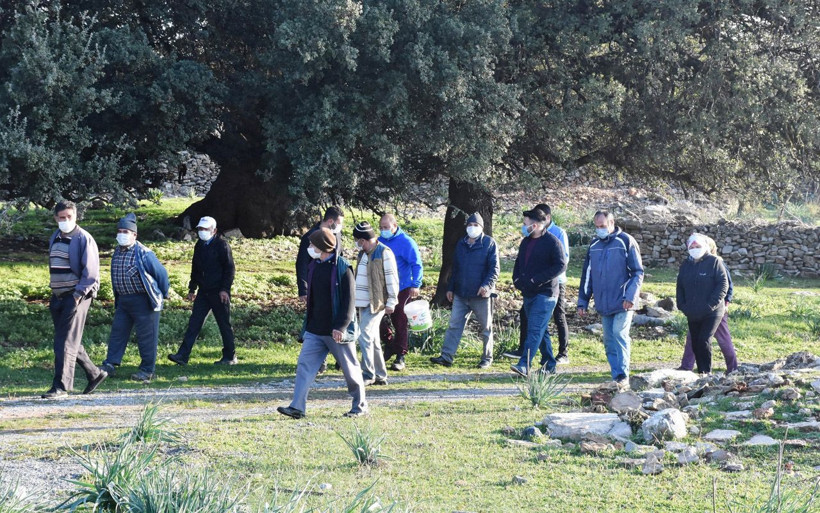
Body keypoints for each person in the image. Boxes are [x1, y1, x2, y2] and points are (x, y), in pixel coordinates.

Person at [277, 228, 367, 418]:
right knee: (304, 367)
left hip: (336, 331)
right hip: (315, 330)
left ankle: (359, 406)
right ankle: (297, 407)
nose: (309, 248)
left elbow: (349, 301)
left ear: (323, 247)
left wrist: (341, 327)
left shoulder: (343, 267)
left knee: (350, 371)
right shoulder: (314, 265)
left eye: (312, 245)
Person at [42, 201, 107, 399]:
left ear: (76, 216)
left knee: (64, 341)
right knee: (70, 340)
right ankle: (95, 373)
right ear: (56, 218)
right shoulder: (56, 236)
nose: (65, 221)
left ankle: (61, 387)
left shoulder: (83, 238)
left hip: (76, 295)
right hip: (58, 296)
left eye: (69, 217)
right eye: (62, 217)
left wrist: (77, 296)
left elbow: (91, 273)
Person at [577, 210, 644, 387]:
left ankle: (623, 376)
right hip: (603, 302)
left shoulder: (626, 241)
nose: (600, 230)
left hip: (624, 301)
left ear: (612, 223)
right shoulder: (594, 245)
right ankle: (616, 376)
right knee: (608, 339)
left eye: (603, 226)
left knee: (619, 333)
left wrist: (630, 296)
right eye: (597, 227)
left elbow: (637, 272)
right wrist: (583, 301)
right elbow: (587, 275)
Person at [100, 213, 170, 382]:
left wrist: (163, 294)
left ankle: (147, 370)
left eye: (126, 231)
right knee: (118, 333)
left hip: (144, 301)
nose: (122, 234)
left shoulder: (144, 253)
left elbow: (161, 275)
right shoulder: (117, 252)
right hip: (124, 300)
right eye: (120, 231)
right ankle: (110, 364)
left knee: (146, 337)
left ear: (134, 235)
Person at [503, 204, 571, 364]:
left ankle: (524, 364)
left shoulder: (552, 242)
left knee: (534, 330)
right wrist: (517, 280)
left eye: (525, 224)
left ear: (534, 225)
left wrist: (537, 280)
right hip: (529, 293)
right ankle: (549, 364)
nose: (523, 227)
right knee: (541, 330)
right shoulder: (526, 242)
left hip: (546, 294)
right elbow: (519, 263)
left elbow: (561, 265)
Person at [430, 212, 499, 369]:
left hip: (481, 295)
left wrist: (486, 286)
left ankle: (487, 358)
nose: (472, 228)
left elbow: (494, 269)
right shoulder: (461, 244)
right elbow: (456, 268)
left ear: (482, 227)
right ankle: (446, 357)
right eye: (470, 225)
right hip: (461, 294)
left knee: (486, 328)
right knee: (454, 325)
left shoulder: (489, 243)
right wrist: (451, 287)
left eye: (476, 225)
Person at [169, 216, 237, 366]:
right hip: (203, 291)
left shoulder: (222, 245)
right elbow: (196, 268)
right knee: (194, 323)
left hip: (219, 292)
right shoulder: (199, 245)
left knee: (224, 323)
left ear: (214, 231)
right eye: (200, 229)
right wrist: (192, 288)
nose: (202, 232)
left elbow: (229, 269)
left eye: (205, 229)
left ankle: (230, 356)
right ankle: (183, 355)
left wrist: (225, 289)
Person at [677, 235, 738, 373]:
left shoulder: (717, 262)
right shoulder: (690, 264)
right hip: (696, 310)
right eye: (692, 247)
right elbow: (681, 284)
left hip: (716, 310)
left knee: (721, 340)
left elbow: (726, 285)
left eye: (698, 246)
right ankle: (687, 367)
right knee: (694, 339)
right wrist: (684, 306)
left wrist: (724, 303)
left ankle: (733, 368)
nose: (695, 249)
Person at [295, 206, 344, 373]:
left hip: (333, 285)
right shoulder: (310, 237)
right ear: (330, 221)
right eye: (338, 223)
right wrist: (303, 290)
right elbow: (301, 263)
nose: (340, 227)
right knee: (316, 324)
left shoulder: (337, 235)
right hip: (315, 286)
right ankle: (320, 361)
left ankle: (340, 358)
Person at [352, 221, 399, 385]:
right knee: (373, 340)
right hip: (363, 304)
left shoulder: (384, 252)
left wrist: (392, 301)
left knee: (364, 335)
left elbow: (392, 278)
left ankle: (368, 374)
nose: (357, 244)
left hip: (377, 303)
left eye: (358, 240)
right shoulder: (362, 254)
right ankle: (380, 375)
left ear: (363, 240)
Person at [378, 214, 423, 371]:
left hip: (402, 287)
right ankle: (389, 344)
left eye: (386, 228)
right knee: (378, 320)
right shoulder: (379, 241)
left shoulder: (407, 242)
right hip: (382, 287)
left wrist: (415, 284)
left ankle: (400, 355)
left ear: (394, 226)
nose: (384, 231)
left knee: (400, 321)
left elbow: (416, 264)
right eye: (381, 228)